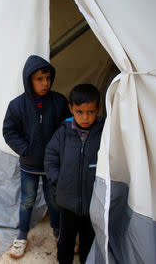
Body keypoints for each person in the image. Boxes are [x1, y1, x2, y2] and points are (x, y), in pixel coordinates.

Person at [3, 55, 70, 259]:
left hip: (52, 166)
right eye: (39, 79)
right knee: (27, 201)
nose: (45, 83)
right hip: (29, 166)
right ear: (28, 80)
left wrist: (57, 153)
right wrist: (26, 149)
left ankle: (59, 235)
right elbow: (9, 131)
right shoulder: (17, 105)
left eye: (48, 78)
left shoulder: (59, 101)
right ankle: (22, 236)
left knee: (54, 201)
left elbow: (66, 129)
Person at [44, 84, 105, 264]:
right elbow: (50, 156)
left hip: (92, 203)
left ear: (98, 109)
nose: (85, 117)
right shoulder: (64, 132)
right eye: (79, 112)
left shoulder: (104, 133)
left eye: (90, 112)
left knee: (88, 240)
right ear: (71, 109)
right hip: (67, 202)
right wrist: (57, 179)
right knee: (66, 241)